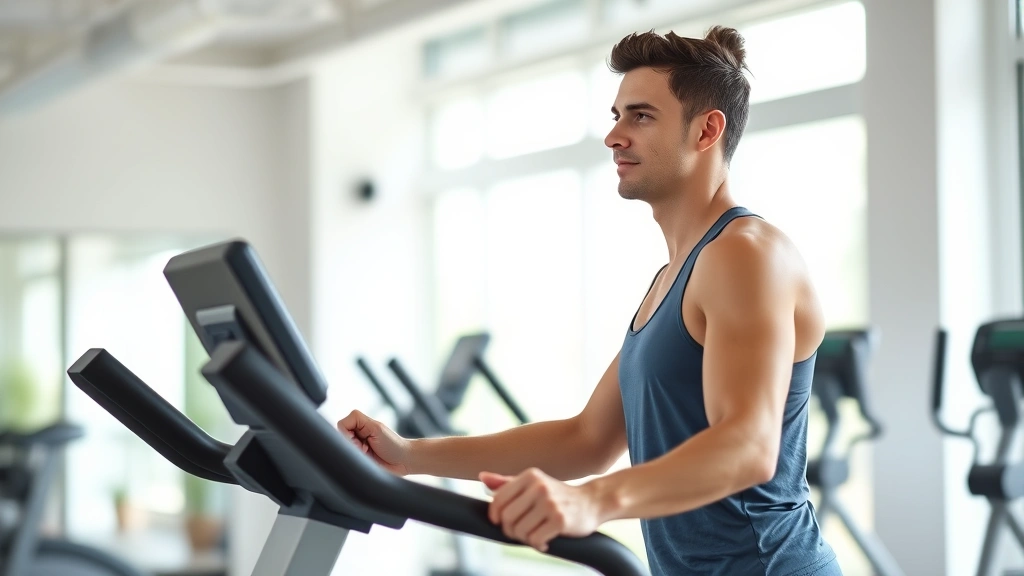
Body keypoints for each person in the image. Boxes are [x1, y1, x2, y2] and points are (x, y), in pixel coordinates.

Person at [339, 26, 841, 576]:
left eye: (641, 116)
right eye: (616, 115)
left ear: (707, 130)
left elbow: (747, 447)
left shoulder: (745, 255)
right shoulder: (676, 274)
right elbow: (587, 440)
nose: (614, 136)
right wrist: (409, 454)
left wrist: (593, 502)